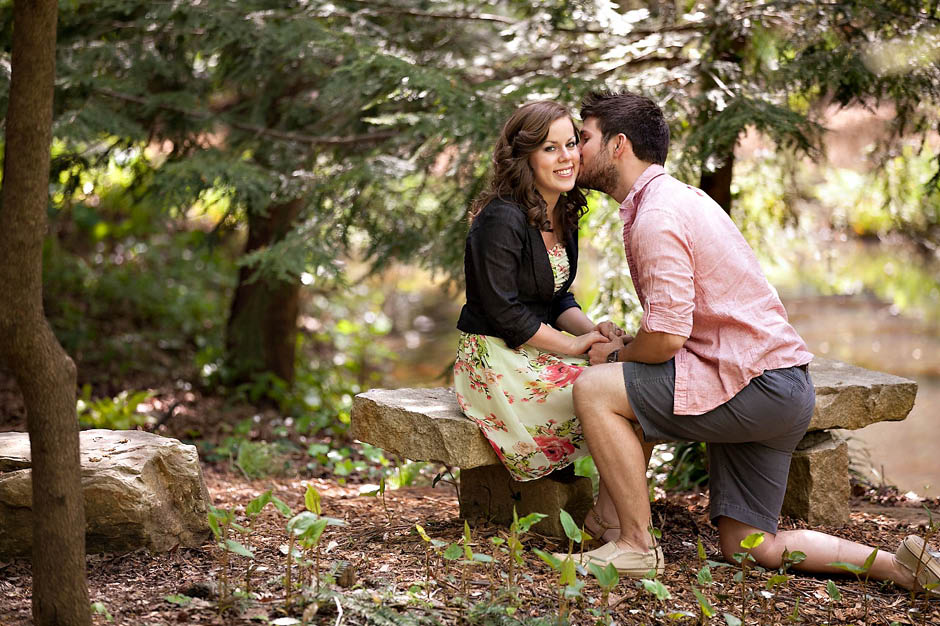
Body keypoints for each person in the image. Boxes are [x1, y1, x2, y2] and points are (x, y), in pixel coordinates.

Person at [560, 89, 940, 595]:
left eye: (583, 138)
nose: (574, 150)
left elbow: (668, 338)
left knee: (596, 388)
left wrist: (619, 353)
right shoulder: (680, 199)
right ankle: (899, 566)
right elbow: (685, 328)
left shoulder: (656, 216)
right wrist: (631, 351)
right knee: (749, 545)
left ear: (618, 145)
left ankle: (634, 543)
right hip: (780, 386)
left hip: (750, 387)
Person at [453, 100, 619, 486]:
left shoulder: (563, 211)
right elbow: (504, 313)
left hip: (537, 350)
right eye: (550, 148)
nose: (567, 157)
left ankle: (613, 513)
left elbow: (557, 297)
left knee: (627, 382)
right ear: (524, 157)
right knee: (613, 396)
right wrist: (573, 346)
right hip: (495, 360)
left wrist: (593, 332)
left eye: (571, 144)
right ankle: (608, 512)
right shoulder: (500, 218)